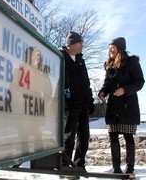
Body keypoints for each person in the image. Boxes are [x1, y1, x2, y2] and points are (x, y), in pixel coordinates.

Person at [98, 37, 144, 173]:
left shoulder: (132, 62)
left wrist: (124, 90)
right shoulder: (108, 65)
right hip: (113, 107)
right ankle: (116, 167)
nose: (110, 50)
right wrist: (103, 91)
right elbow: (107, 83)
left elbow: (140, 81)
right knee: (113, 136)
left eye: (113, 47)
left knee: (127, 135)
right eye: (109, 48)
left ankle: (130, 167)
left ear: (120, 48)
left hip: (127, 106)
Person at [59, 31, 95, 171]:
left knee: (84, 137)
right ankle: (64, 164)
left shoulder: (81, 60)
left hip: (83, 104)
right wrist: (66, 95)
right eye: (80, 42)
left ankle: (79, 164)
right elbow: (59, 81)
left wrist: (90, 101)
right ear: (71, 44)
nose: (82, 45)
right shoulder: (61, 57)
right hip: (70, 104)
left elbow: (86, 82)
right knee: (69, 135)